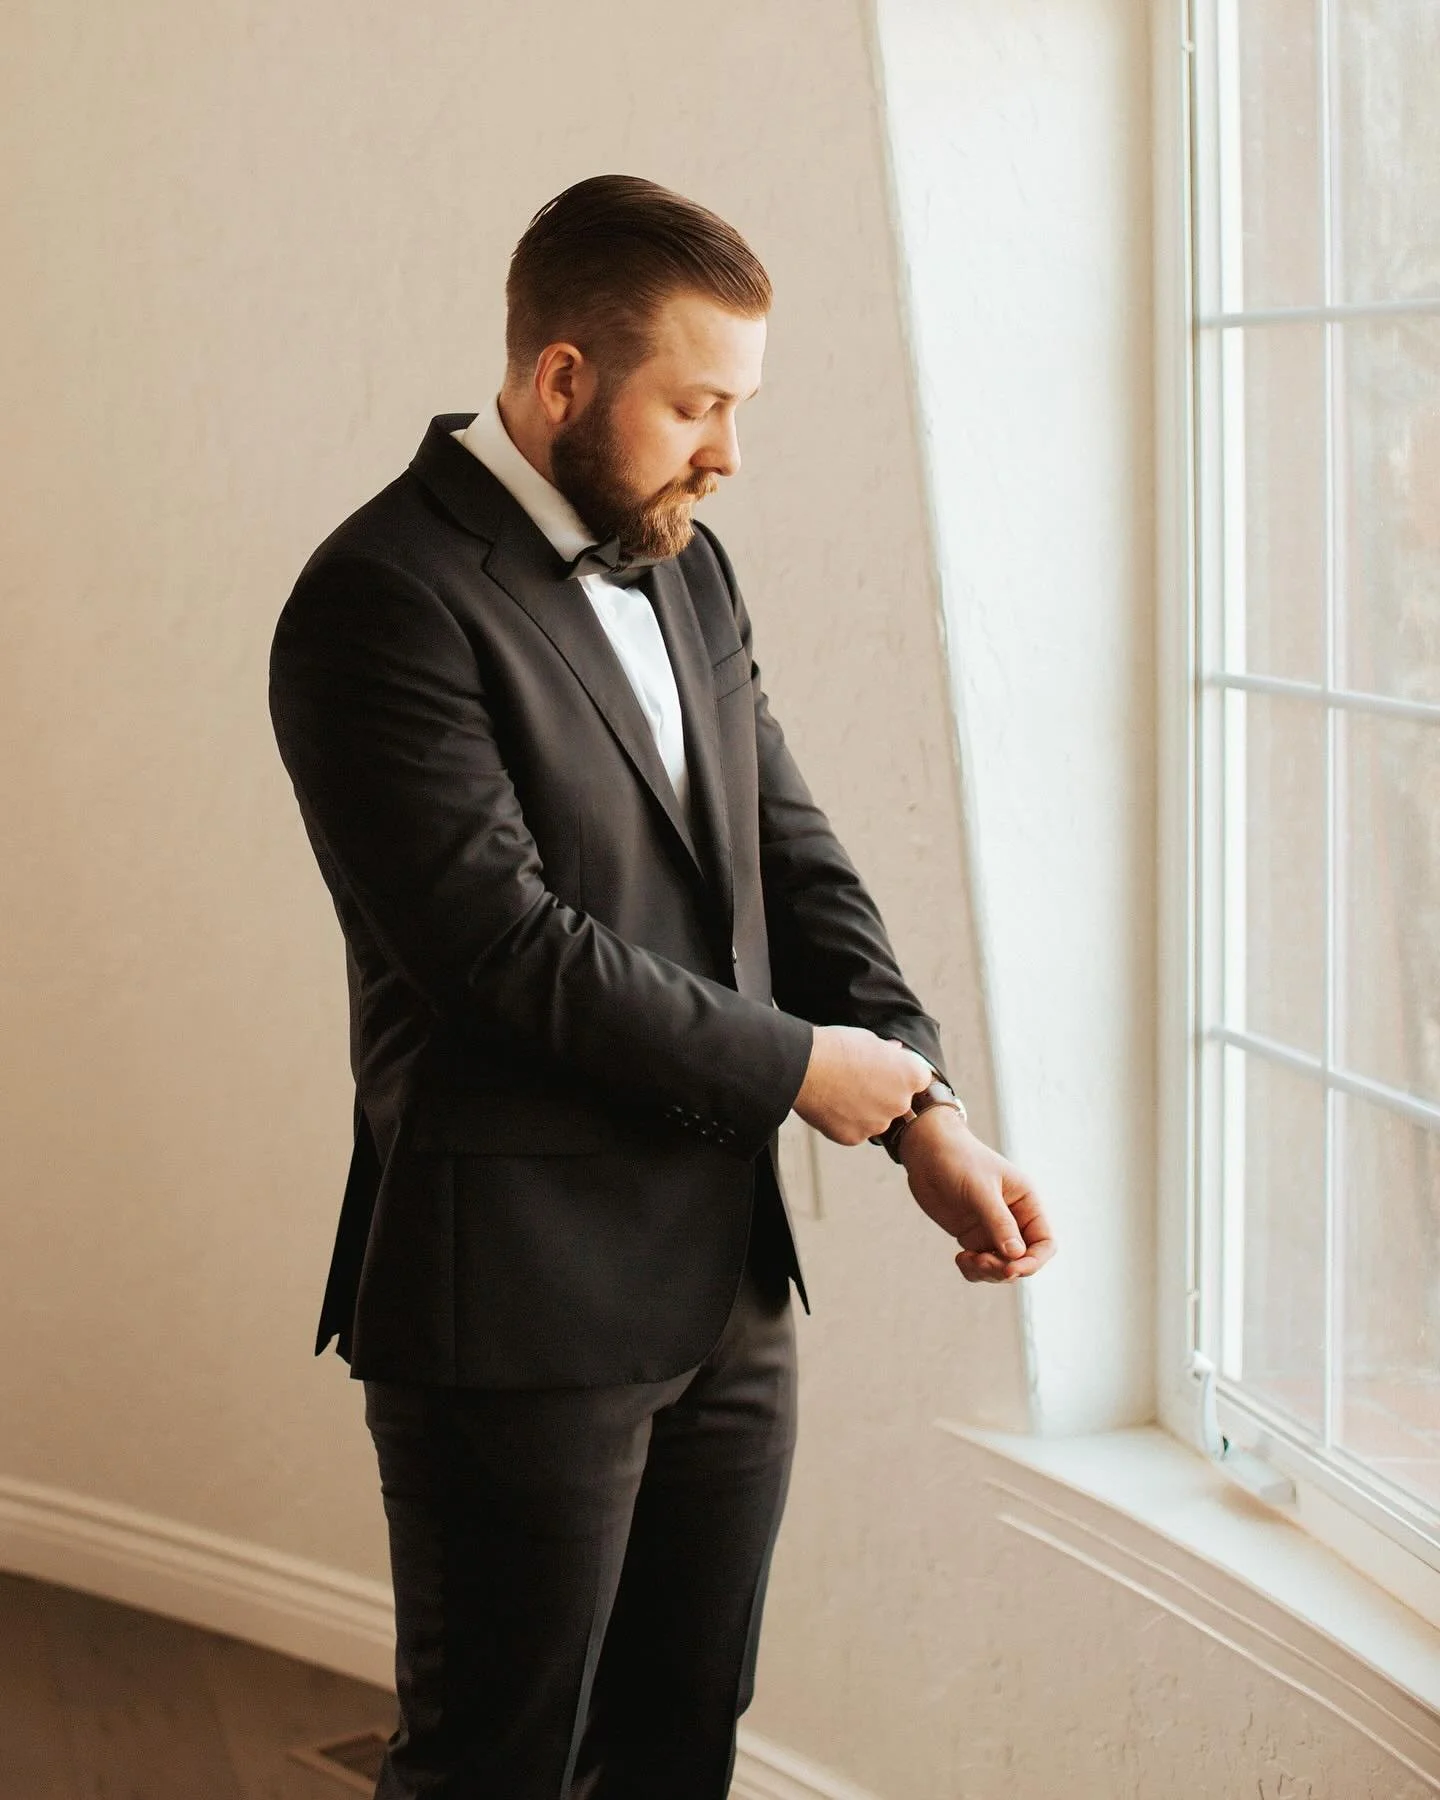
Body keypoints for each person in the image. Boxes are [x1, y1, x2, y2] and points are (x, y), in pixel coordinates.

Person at [268, 173, 1054, 1800]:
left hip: (728, 1300)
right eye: (696, 403)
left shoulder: (689, 568)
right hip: (515, 1313)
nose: (728, 451)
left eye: (740, 405)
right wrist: (795, 1075)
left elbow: (796, 862)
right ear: (563, 378)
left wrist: (923, 1107)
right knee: (494, 1767)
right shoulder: (377, 601)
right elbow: (504, 951)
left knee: (679, 1755)